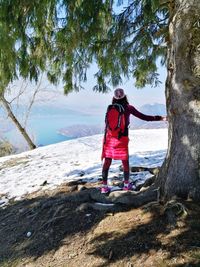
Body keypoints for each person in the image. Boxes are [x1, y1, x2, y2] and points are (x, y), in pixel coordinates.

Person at [101, 88, 167, 194]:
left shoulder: (110, 108)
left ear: (114, 97)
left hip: (109, 138)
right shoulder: (128, 107)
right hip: (121, 138)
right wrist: (160, 118)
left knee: (107, 161)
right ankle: (127, 185)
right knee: (125, 161)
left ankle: (104, 187)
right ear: (125, 96)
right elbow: (144, 117)